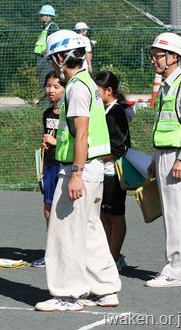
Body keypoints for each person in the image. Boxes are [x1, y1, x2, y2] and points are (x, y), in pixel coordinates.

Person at [35, 30, 121, 312]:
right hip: (93, 169)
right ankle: (106, 289)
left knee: (65, 233)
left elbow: (81, 135)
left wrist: (75, 173)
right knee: (90, 230)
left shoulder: (75, 87)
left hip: (80, 171)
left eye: (52, 60)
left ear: (61, 58)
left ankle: (68, 294)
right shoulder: (88, 84)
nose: (51, 66)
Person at [145, 32, 181, 288]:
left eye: (158, 56)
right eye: (152, 55)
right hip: (166, 155)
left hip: (176, 157)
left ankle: (176, 270)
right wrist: (156, 158)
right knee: (179, 213)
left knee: (175, 214)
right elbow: (165, 125)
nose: (153, 60)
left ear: (173, 57)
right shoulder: (167, 85)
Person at [92, 70, 131, 272]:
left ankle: (115, 257)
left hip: (113, 172)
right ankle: (108, 254)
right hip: (102, 171)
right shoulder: (103, 110)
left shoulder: (116, 113)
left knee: (115, 214)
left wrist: (94, 156)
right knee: (104, 214)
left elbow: (119, 147)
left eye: (97, 91)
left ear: (108, 90)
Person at [31, 70, 65, 268]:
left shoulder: (71, 114)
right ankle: (52, 253)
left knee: (64, 211)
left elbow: (75, 142)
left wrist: (55, 141)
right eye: (48, 86)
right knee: (48, 209)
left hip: (65, 166)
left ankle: (65, 253)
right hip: (49, 166)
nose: (51, 90)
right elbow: (47, 136)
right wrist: (45, 144)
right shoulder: (47, 113)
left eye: (56, 86)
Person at [34, 5, 58, 93]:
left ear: (48, 16)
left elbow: (53, 39)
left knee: (44, 77)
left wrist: (47, 50)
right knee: (41, 77)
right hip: (41, 56)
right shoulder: (44, 27)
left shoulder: (52, 26)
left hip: (46, 57)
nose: (40, 17)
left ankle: (45, 101)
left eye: (42, 15)